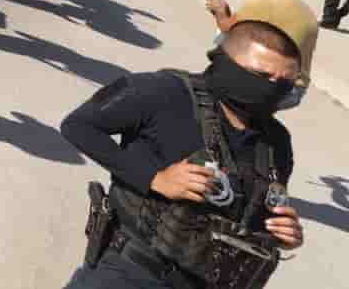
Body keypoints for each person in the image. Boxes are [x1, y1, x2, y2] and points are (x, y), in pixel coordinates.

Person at [57, 21, 306, 288]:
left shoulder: (277, 141)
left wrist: (280, 234)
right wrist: (154, 178)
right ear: (225, 61)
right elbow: (78, 126)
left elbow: (253, 214)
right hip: (130, 272)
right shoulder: (163, 92)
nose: (272, 88)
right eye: (262, 75)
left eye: (283, 83)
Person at [205, 0, 318, 102]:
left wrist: (219, 10)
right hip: (295, 88)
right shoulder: (306, 10)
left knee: (212, 97)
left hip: (269, 84)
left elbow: (228, 29)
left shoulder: (262, 4)